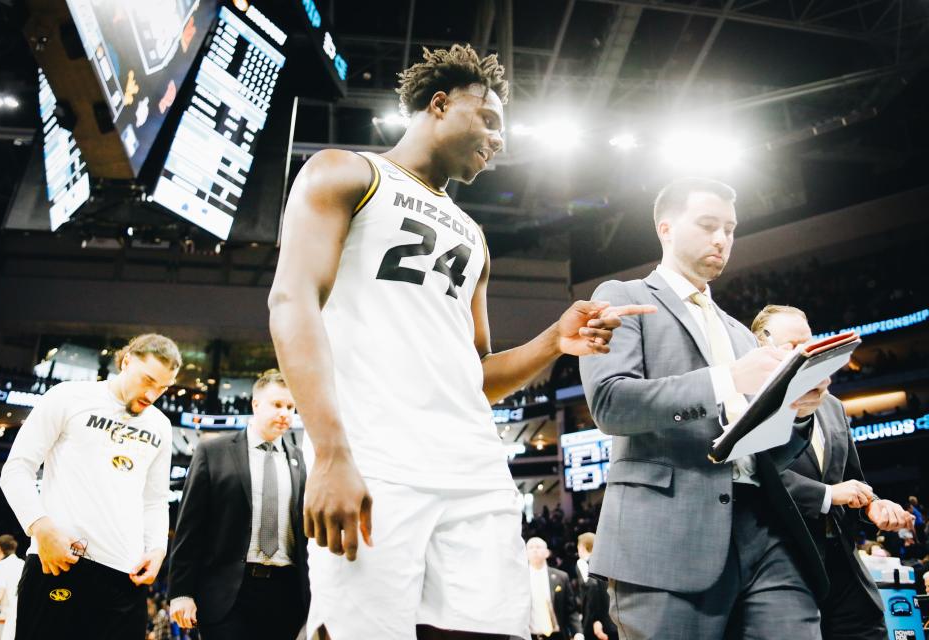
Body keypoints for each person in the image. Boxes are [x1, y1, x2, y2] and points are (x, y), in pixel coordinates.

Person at [267, 43, 654, 640]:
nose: (500, 141)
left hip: (475, 470)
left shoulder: (474, 235)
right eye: (490, 120)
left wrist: (554, 340)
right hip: (377, 459)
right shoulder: (346, 173)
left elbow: (477, 374)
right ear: (440, 104)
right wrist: (331, 452)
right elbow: (292, 302)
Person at [579, 177, 833, 640]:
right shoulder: (620, 297)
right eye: (708, 224)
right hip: (667, 534)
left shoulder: (739, 333)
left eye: (730, 229)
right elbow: (611, 404)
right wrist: (728, 379)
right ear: (666, 228)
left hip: (765, 526)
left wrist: (796, 412)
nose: (722, 239)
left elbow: (766, 452)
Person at [0, 334, 180, 640]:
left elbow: (155, 500)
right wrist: (41, 529)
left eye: (163, 388)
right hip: (60, 562)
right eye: (147, 380)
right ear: (126, 362)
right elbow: (16, 468)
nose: (153, 394)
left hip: (126, 577)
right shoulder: (68, 397)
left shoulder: (160, 425)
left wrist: (157, 550)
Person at [753, 304, 915, 640]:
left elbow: (853, 480)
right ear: (761, 349)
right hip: (784, 570)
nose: (807, 353)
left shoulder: (833, 406)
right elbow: (758, 478)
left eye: (809, 343)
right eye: (792, 346)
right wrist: (827, 495)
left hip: (845, 567)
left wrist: (874, 506)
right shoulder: (748, 408)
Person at [168, 370, 308, 639]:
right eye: (277, 405)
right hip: (227, 594)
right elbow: (189, 527)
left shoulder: (299, 461)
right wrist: (181, 592)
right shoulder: (213, 452)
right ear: (256, 404)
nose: (285, 413)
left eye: (290, 407)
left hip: (286, 595)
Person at [525, 538, 581, 640]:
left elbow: (571, 610)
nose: (534, 550)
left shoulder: (561, 577)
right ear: (525, 553)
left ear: (547, 553)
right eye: (530, 547)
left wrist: (578, 632)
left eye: (538, 547)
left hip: (557, 635)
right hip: (530, 635)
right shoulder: (519, 579)